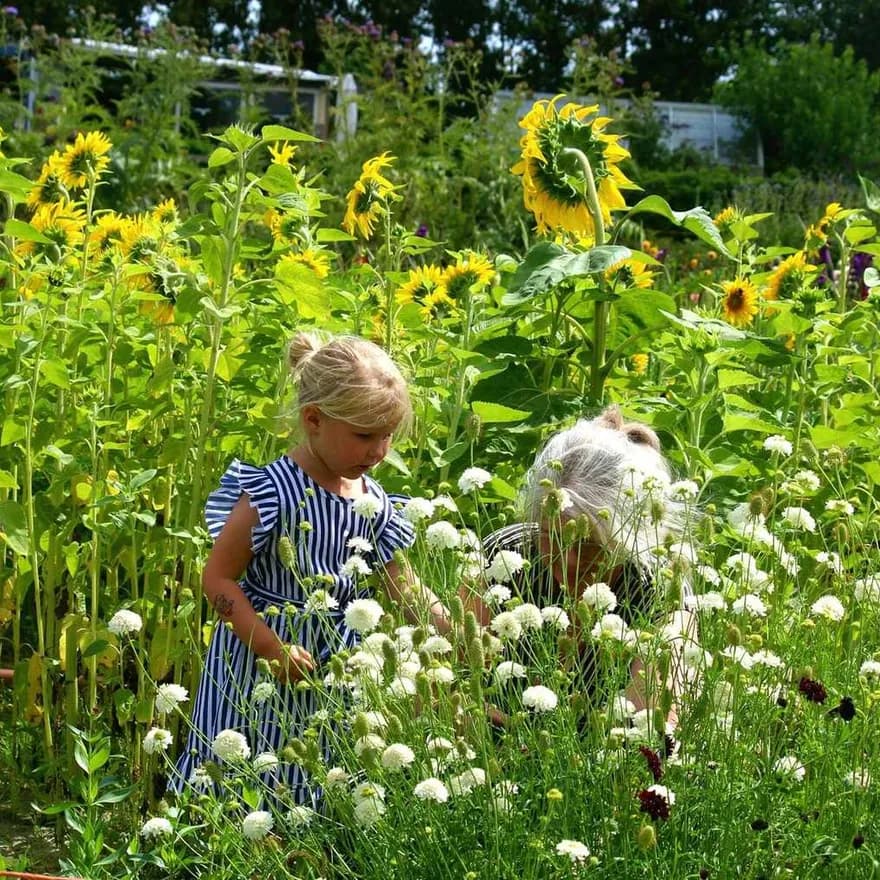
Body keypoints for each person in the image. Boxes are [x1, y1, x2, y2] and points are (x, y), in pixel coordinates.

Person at [172, 332, 444, 804]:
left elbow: (402, 583)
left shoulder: (373, 503)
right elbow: (217, 579)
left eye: (387, 436)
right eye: (365, 435)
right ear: (313, 420)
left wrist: (451, 628)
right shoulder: (271, 493)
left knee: (317, 776)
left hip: (332, 669)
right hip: (258, 664)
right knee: (243, 774)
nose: (379, 451)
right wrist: (271, 647)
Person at [477, 405, 694, 718]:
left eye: (589, 544)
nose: (570, 560)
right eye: (552, 537)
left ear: (629, 536)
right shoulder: (506, 556)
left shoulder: (657, 586)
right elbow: (457, 675)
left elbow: (653, 727)